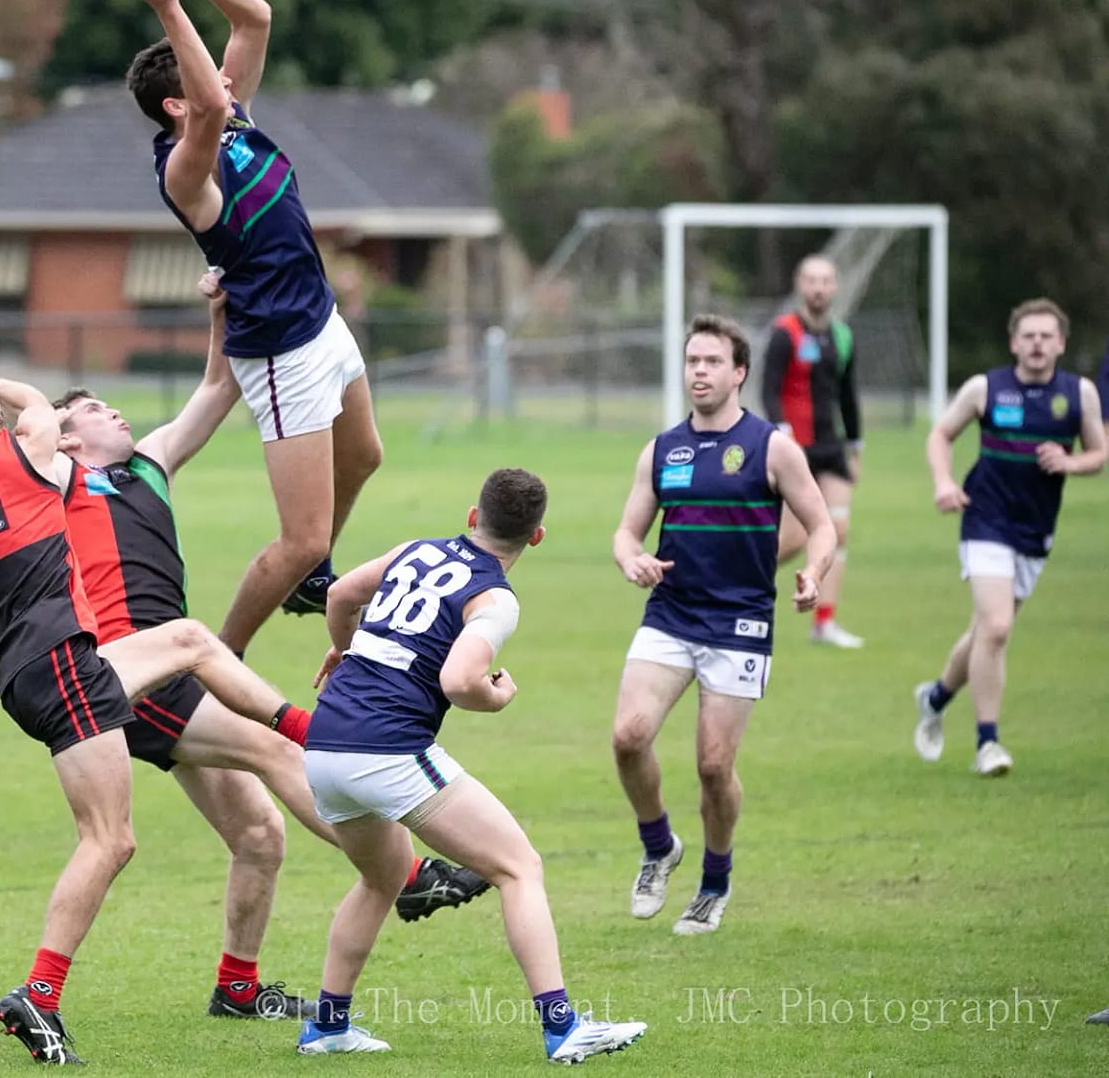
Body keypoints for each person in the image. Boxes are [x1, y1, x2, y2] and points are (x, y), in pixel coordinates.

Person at [0, 286, 486, 1024]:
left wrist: (223, 308)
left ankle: (237, 987)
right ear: (65, 438)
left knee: (259, 834)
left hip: (173, 672)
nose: (115, 412)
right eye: (95, 409)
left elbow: (218, 385)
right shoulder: (55, 479)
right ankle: (410, 874)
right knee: (278, 748)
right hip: (124, 671)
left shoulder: (151, 463)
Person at [0, 316, 321, 1065]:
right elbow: (32, 405)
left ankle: (303, 728)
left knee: (189, 640)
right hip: (65, 662)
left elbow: (2, 421)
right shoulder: (35, 450)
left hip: (23, 669)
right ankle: (38, 994)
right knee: (109, 839)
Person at [298, 469, 647, 1062]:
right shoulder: (495, 597)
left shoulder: (415, 549)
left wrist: (346, 647)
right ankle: (563, 1027)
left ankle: (328, 1026)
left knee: (382, 877)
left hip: (325, 743)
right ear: (536, 537)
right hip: (387, 749)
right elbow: (460, 681)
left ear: (471, 515)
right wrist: (497, 695)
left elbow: (339, 596)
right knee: (519, 867)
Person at [117, 0, 383, 651]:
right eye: (206, 76)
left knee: (363, 455)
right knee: (302, 539)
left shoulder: (234, 117)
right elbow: (208, 103)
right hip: (279, 352)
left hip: (320, 320)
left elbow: (255, 18)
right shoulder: (184, 171)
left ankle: (307, 577)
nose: (225, 80)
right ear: (176, 106)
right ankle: (216, 655)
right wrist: (166, 6)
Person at [609, 315, 835, 935]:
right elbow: (627, 531)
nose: (699, 372)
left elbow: (821, 525)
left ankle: (714, 881)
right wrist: (632, 558)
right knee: (628, 736)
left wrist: (814, 572)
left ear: (739, 372)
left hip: (740, 622)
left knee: (713, 766)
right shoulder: (662, 450)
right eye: (692, 361)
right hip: (671, 613)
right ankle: (659, 847)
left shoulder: (772, 447)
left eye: (712, 362)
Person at [911, 299, 1104, 776]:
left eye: (1046, 336)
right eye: (1029, 336)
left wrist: (1070, 462)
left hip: (1035, 529)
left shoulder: (1079, 393)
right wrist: (943, 481)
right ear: (1014, 342)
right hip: (985, 520)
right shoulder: (986, 388)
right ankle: (988, 743)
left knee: (985, 632)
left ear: (1061, 343)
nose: (1037, 344)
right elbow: (940, 435)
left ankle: (935, 698)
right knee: (996, 628)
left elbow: (1098, 453)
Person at [762, 255, 865, 647]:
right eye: (811, 280)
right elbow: (769, 389)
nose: (819, 288)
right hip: (795, 449)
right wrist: (782, 433)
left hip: (832, 447)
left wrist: (855, 445)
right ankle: (731, 583)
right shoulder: (784, 333)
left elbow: (848, 396)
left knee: (838, 530)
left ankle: (824, 622)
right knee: (791, 540)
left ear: (835, 286)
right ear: (799, 285)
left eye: (825, 281)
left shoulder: (842, 336)